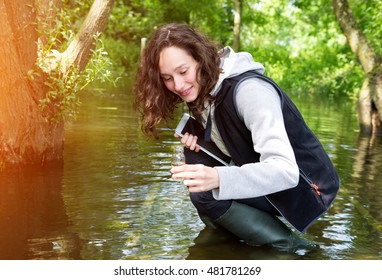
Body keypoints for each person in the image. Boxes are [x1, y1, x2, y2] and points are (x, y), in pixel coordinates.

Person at [134, 23, 339, 253]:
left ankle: (296, 249)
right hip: (266, 178)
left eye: (183, 72)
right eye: (167, 78)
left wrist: (218, 176)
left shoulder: (251, 92)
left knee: (205, 190)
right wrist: (203, 147)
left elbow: (285, 171)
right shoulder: (204, 89)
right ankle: (229, 241)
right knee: (196, 170)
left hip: (305, 191)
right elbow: (235, 144)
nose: (178, 85)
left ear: (201, 58)